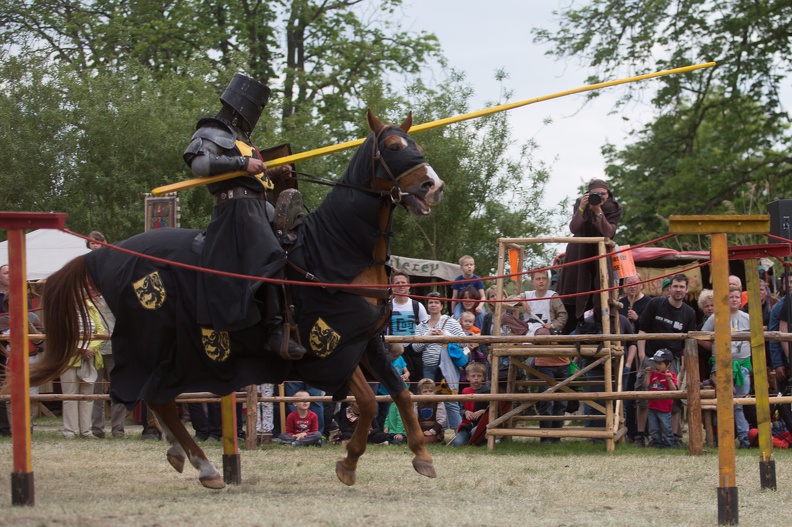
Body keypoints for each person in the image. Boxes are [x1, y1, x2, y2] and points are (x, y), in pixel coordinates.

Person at [183, 73, 305, 361]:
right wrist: (242, 162)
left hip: (259, 206)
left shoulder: (243, 138)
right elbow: (200, 165)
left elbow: (251, 175)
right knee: (272, 256)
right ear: (242, 106)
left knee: (298, 243)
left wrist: (273, 172)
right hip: (237, 210)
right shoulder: (213, 130)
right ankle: (276, 332)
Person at [634, 274, 697, 447]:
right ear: (670, 288)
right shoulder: (655, 304)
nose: (678, 290)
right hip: (650, 357)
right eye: (675, 286)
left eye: (681, 287)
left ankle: (675, 437)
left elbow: (688, 343)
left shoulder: (689, 312)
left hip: (673, 360)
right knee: (644, 394)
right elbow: (642, 330)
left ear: (686, 289)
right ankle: (641, 436)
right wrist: (642, 356)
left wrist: (684, 368)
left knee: (674, 398)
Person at [556, 179, 624, 334]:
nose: (600, 197)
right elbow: (574, 228)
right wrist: (581, 209)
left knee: (602, 297)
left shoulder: (614, 207)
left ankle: (601, 333)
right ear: (588, 194)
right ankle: (568, 333)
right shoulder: (581, 203)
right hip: (579, 254)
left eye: (603, 194)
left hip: (601, 256)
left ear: (608, 194)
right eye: (596, 194)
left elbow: (609, 233)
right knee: (572, 293)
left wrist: (598, 211)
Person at [699, 285, 752, 448]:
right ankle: (722, 438)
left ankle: (744, 438)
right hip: (721, 366)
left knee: (739, 403)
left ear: (740, 299)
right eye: (730, 297)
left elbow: (755, 339)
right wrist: (715, 348)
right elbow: (701, 337)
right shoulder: (715, 317)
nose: (734, 299)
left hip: (742, 365)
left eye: (737, 297)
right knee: (722, 403)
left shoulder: (747, 317)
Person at [413, 292, 466, 431]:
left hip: (447, 367)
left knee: (450, 401)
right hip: (428, 367)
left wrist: (445, 335)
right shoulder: (421, 326)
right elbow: (415, 348)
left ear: (442, 305)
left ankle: (458, 432)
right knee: (429, 401)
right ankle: (435, 432)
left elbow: (464, 341)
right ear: (427, 305)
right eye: (430, 302)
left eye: (436, 302)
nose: (433, 305)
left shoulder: (451, 322)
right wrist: (427, 336)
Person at [60, 297, 106, 438]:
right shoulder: (63, 308)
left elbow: (101, 330)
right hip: (69, 358)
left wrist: (89, 349)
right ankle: (70, 431)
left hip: (90, 357)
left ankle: (86, 431)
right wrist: (80, 349)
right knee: (70, 395)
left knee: (88, 396)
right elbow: (62, 332)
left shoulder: (91, 306)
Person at [618, 274, 651, 441]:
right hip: (624, 353)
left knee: (643, 394)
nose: (632, 286)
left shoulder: (649, 303)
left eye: (636, 283)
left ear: (642, 285)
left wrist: (638, 320)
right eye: (629, 283)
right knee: (627, 393)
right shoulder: (620, 304)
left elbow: (652, 327)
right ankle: (629, 431)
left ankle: (644, 432)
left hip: (643, 353)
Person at [389, 271, 428, 393]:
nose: (401, 285)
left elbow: (425, 327)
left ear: (409, 285)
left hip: (413, 353)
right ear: (392, 286)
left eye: (403, 282)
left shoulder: (417, 306)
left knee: (416, 388)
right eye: (397, 283)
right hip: (392, 352)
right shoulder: (387, 306)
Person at [643, 349, 678, 448]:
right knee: (653, 428)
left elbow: (674, 390)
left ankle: (668, 444)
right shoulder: (653, 374)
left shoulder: (671, 375)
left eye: (659, 363)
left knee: (666, 427)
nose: (656, 366)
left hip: (664, 407)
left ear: (668, 365)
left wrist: (669, 380)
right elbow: (646, 385)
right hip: (652, 406)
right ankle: (656, 443)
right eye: (655, 363)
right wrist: (647, 374)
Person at [518, 269, 568, 336]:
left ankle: (529, 335)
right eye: (538, 279)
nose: (541, 281)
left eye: (544, 278)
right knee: (506, 317)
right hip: (527, 327)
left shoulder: (553, 296)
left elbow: (563, 315)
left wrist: (552, 326)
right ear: (532, 282)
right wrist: (522, 301)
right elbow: (510, 300)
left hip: (544, 328)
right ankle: (528, 333)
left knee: (543, 333)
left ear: (547, 281)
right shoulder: (527, 295)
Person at [451, 362, 489, 446]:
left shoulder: (488, 391)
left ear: (483, 377)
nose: (476, 379)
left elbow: (491, 409)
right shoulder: (465, 391)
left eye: (479, 376)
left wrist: (483, 411)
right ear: (468, 377)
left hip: (481, 423)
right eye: (473, 376)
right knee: (458, 444)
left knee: (474, 432)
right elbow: (461, 408)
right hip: (467, 424)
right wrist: (465, 412)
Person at [375, 343, 410, 429]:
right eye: (394, 356)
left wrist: (406, 375)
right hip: (383, 391)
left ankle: (386, 429)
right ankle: (379, 429)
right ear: (387, 351)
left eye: (398, 356)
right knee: (381, 412)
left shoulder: (400, 359)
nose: (396, 358)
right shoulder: (384, 361)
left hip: (394, 392)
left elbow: (407, 371)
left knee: (388, 412)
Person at [414, 378, 446, 444]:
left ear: (434, 391)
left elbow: (441, 420)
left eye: (430, 391)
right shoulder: (417, 403)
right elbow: (415, 419)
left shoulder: (438, 402)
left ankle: (439, 440)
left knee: (425, 440)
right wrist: (419, 432)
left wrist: (432, 431)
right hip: (421, 430)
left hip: (435, 431)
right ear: (420, 393)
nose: (428, 394)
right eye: (425, 391)